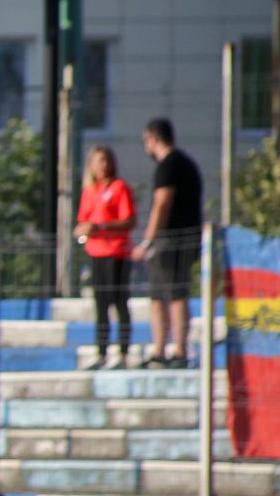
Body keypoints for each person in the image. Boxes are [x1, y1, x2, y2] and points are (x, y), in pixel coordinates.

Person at [135, 118, 204, 369]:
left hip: (171, 241)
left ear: (153, 138)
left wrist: (147, 241)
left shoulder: (168, 165)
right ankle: (162, 350)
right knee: (161, 296)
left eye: (146, 140)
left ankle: (176, 351)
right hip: (182, 239)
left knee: (173, 296)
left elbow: (162, 203)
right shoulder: (186, 163)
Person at [74, 146, 137, 371]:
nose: (103, 165)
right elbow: (83, 219)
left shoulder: (119, 187)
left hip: (116, 253)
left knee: (119, 301)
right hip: (97, 253)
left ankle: (123, 353)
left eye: (106, 160)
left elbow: (129, 220)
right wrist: (83, 230)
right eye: (98, 161)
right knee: (100, 304)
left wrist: (101, 226)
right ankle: (101, 353)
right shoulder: (90, 190)